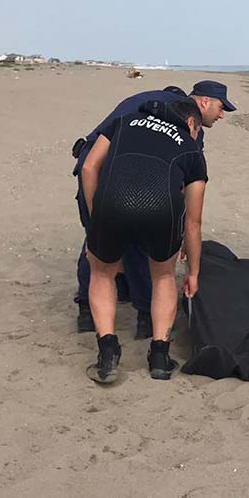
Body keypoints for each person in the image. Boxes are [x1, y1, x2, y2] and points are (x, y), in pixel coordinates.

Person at [72, 81, 235, 336]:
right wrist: (180, 232)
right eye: (221, 108)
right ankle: (146, 316)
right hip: (114, 166)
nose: (221, 114)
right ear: (204, 102)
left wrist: (97, 221)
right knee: (142, 240)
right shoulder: (186, 119)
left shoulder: (147, 101)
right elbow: (181, 179)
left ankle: (88, 311)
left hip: (94, 159)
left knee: (99, 242)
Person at [80, 98, 209, 384]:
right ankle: (160, 356)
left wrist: (94, 219)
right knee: (163, 276)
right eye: (198, 132)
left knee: (102, 273)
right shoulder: (191, 149)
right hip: (162, 209)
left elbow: (89, 168)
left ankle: (107, 352)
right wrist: (194, 272)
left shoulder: (123, 122)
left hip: (112, 202)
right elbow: (194, 221)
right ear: (191, 123)